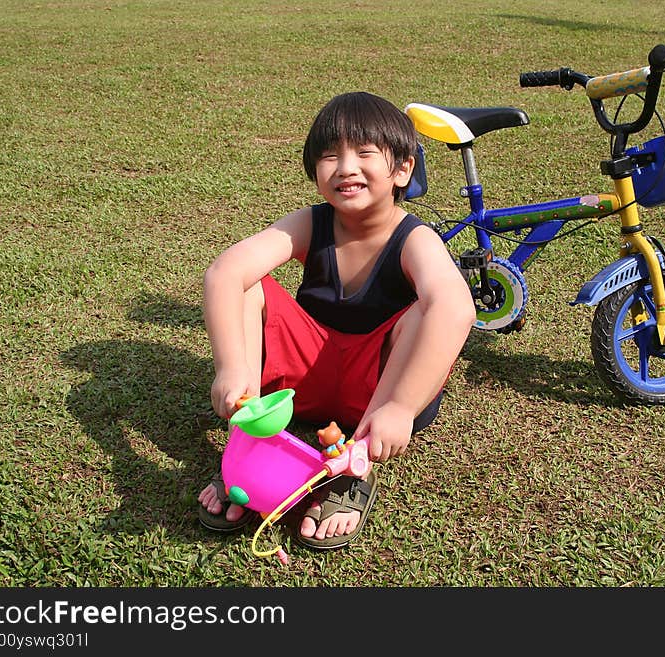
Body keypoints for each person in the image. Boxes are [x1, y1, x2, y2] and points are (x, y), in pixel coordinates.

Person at [197, 91, 476, 549]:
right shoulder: (311, 222)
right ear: (314, 172)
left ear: (403, 169)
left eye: (365, 153)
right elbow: (225, 272)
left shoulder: (415, 238)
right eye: (330, 156)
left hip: (376, 395)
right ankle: (248, 442)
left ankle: (355, 468)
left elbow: (456, 306)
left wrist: (400, 407)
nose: (346, 167)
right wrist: (231, 370)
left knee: (428, 308)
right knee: (249, 282)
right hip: (302, 384)